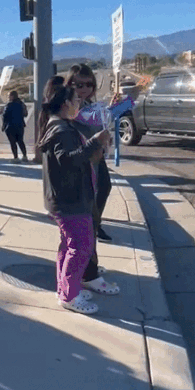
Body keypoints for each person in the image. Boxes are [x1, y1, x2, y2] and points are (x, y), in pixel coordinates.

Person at [37, 79, 110, 315]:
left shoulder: (60, 125)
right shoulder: (61, 130)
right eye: (76, 100)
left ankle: (67, 288)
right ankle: (69, 295)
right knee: (81, 247)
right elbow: (70, 159)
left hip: (68, 198)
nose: (79, 103)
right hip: (70, 200)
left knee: (70, 246)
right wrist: (95, 142)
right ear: (65, 103)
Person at [67, 64, 122, 296]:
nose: (84, 89)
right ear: (69, 84)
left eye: (89, 84)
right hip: (84, 167)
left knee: (94, 219)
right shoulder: (71, 109)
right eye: (78, 84)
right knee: (88, 221)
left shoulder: (90, 106)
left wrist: (121, 105)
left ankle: (89, 266)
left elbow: (104, 119)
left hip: (96, 164)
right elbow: (89, 124)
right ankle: (89, 274)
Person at [2, 90, 29, 163]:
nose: (8, 97)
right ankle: (25, 156)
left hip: (10, 125)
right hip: (20, 125)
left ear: (12, 96)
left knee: (13, 142)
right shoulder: (21, 104)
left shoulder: (9, 105)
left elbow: (5, 116)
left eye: (9, 96)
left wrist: (3, 125)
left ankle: (16, 157)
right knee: (20, 141)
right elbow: (25, 114)